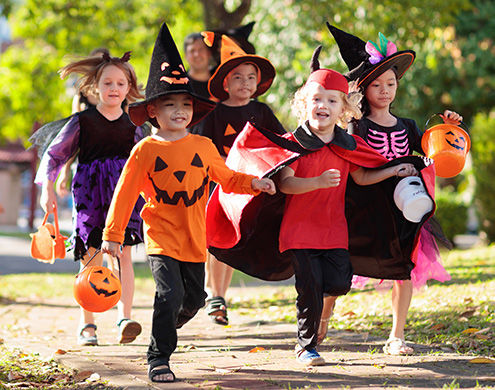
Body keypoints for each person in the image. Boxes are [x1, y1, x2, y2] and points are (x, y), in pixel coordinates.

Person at [101, 22, 276, 383]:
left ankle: (161, 328)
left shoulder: (202, 147)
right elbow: (125, 193)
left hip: (196, 238)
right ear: (153, 111)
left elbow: (226, 178)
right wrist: (113, 235)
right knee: (170, 292)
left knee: (193, 300)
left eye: (184, 104)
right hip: (162, 237)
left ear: (193, 111)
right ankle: (159, 357)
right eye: (169, 105)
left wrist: (255, 183)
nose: (179, 111)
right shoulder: (146, 150)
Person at [319, 23, 463, 355]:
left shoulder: (409, 126)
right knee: (341, 269)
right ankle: (322, 318)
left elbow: (435, 156)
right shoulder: (356, 127)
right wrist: (391, 169)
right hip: (363, 209)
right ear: (363, 89)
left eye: (391, 83)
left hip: (403, 210)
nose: (386, 90)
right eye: (378, 84)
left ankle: (396, 335)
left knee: (404, 269)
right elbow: (355, 172)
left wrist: (447, 128)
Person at [35, 50, 146, 346]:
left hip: (123, 195)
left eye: (121, 84)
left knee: (123, 254)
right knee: (91, 255)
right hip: (88, 193)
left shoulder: (135, 125)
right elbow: (55, 155)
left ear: (129, 88)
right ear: (95, 86)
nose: (114, 89)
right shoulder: (82, 122)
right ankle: (88, 325)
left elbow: (147, 162)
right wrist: (47, 189)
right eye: (107, 83)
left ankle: (125, 317)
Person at [190, 32, 285, 325]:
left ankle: (218, 294)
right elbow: (203, 150)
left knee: (232, 240)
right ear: (225, 83)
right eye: (238, 77)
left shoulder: (262, 112)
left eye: (250, 78)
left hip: (251, 187)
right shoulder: (214, 114)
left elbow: (279, 143)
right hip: (220, 185)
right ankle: (213, 293)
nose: (245, 83)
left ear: (258, 84)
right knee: (218, 238)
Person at [183, 33, 214, 99]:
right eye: (192, 51)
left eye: (201, 49)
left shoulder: (221, 82)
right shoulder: (181, 85)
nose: (197, 54)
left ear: (208, 53)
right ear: (185, 56)